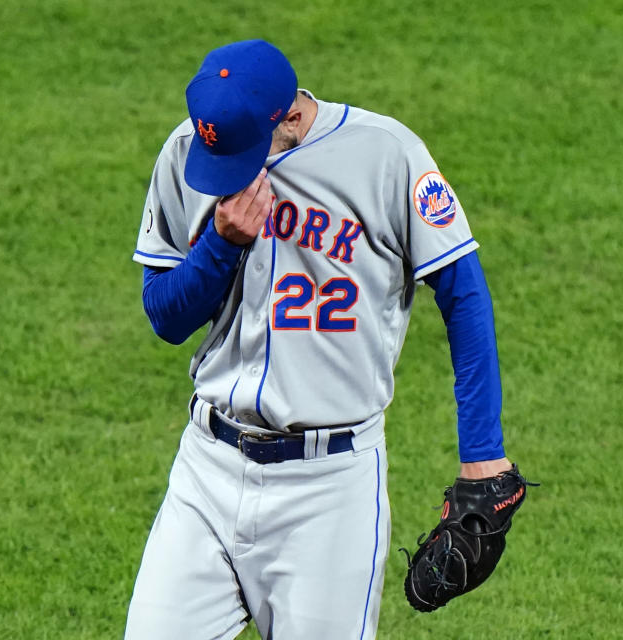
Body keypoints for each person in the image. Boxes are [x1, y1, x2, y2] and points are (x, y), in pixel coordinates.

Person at [126, 39, 513, 640]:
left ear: (289, 117)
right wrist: (221, 244)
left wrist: (483, 456)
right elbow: (165, 317)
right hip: (207, 469)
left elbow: (464, 296)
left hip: (329, 494)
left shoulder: (387, 155)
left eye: (238, 153)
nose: (223, 168)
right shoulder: (192, 147)